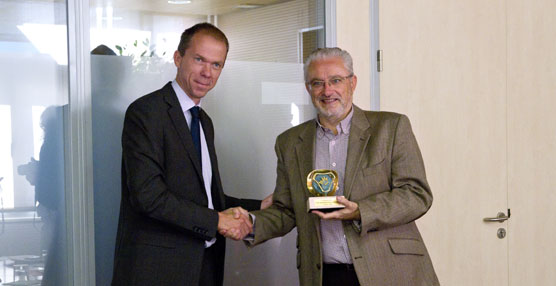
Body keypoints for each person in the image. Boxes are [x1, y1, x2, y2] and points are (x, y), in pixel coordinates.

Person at [248, 47, 439, 286]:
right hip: (324, 275)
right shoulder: (289, 143)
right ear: (308, 88)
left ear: (352, 83)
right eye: (317, 83)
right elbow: (287, 209)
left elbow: (416, 195)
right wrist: (250, 224)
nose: (327, 91)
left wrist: (361, 211)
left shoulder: (391, 127)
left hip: (390, 270)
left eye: (335, 80)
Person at [112, 23, 270, 286]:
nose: (207, 72)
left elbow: (207, 198)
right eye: (199, 60)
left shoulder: (203, 121)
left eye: (216, 65)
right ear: (178, 58)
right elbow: (148, 197)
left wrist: (260, 206)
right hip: (157, 271)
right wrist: (217, 221)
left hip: (204, 266)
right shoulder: (146, 112)